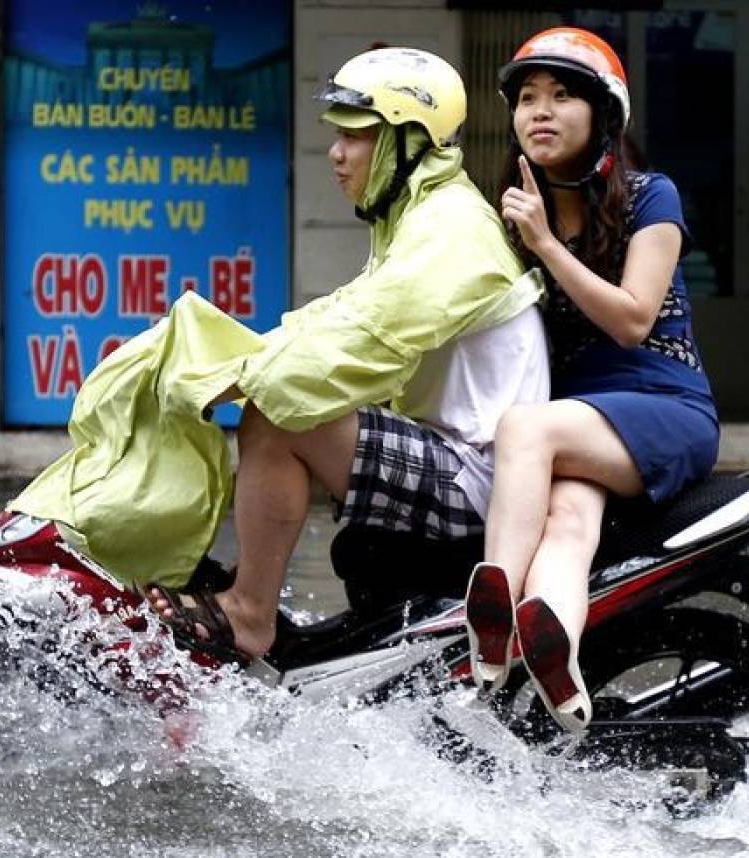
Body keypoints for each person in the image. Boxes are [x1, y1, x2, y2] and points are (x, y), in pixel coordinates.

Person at [145, 46, 549, 661]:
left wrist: (244, 381)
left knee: (281, 416)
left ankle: (251, 613)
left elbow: (360, 339)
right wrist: (235, 361)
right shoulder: (415, 215)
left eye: (355, 137)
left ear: (406, 142)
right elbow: (336, 314)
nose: (336, 153)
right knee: (278, 395)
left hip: (481, 479)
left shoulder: (451, 230)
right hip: (454, 452)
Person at [464, 27, 719, 733]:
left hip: (664, 405)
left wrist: (545, 244)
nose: (539, 112)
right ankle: (560, 671)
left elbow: (634, 319)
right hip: (583, 420)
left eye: (562, 96)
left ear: (604, 117)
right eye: (527, 99)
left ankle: (492, 618)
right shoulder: (510, 213)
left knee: (526, 427)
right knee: (569, 522)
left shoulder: (649, 197)